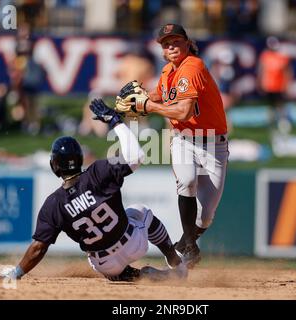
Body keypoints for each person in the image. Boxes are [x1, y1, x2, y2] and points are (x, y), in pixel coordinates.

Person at [5, 98, 187, 282]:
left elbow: (38, 248)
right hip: (134, 244)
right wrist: (115, 121)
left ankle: (136, 275)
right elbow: (136, 156)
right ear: (80, 158)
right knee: (141, 211)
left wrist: (15, 274)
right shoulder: (98, 172)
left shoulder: (53, 203)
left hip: (105, 263)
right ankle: (176, 263)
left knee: (101, 256)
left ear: (55, 166)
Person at [115, 24, 229, 269]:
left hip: (213, 145)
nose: (171, 47)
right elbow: (163, 94)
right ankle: (190, 247)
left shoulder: (193, 66)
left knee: (207, 214)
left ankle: (185, 243)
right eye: (166, 44)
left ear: (187, 43)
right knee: (186, 182)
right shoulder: (169, 71)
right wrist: (146, 96)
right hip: (184, 139)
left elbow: (184, 111)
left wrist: (147, 106)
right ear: (162, 50)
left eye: (176, 42)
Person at [257, 36, 293, 134]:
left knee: (280, 105)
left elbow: (287, 72)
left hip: (279, 85)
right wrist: (260, 82)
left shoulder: (282, 56)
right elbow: (261, 70)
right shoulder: (265, 56)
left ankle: (283, 123)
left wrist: (287, 84)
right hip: (268, 86)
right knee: (271, 106)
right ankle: (271, 124)